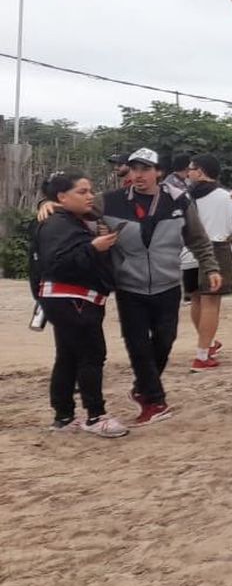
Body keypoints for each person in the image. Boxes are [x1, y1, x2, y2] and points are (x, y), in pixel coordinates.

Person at [100, 148, 220, 426]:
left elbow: (198, 238)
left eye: (145, 169)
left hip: (167, 284)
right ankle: (155, 400)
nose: (138, 175)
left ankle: (143, 387)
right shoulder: (110, 201)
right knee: (138, 344)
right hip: (129, 286)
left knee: (165, 340)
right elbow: (75, 208)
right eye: (134, 169)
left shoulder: (178, 200)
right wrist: (48, 205)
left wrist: (210, 267)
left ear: (159, 172)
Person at [33, 171, 129, 438]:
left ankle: (63, 417)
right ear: (62, 197)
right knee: (90, 355)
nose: (90, 196)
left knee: (68, 357)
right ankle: (95, 415)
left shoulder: (70, 219)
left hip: (71, 298)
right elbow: (57, 263)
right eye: (82, 192)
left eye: (90, 190)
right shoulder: (57, 224)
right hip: (71, 298)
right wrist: (93, 247)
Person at [181, 154, 232, 372]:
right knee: (211, 302)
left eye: (191, 169)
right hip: (216, 249)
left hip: (187, 252)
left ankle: (206, 344)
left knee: (196, 299)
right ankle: (203, 354)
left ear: (200, 171)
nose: (188, 173)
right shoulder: (227, 197)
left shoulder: (183, 197)